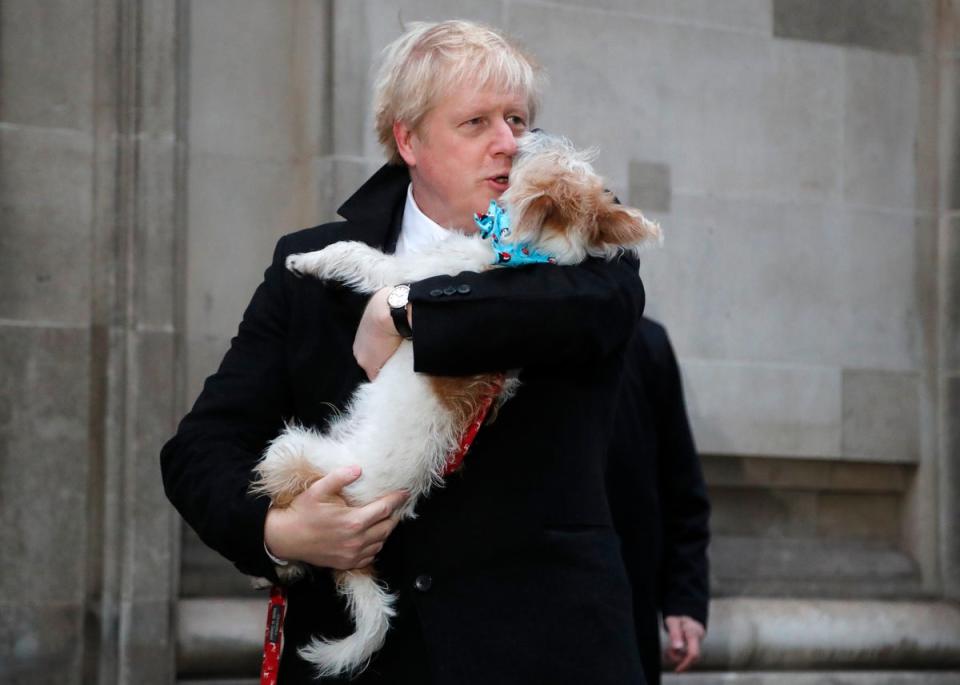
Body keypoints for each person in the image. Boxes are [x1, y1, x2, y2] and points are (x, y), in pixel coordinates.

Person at [161, 20, 648, 684]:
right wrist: (280, 531)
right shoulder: (308, 269)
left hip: (542, 653)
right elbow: (200, 448)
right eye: (476, 122)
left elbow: (586, 309)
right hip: (366, 660)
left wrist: (404, 310)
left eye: (518, 120)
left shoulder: (581, 236)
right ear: (408, 139)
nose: (508, 142)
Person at [608, 316, 711, 685]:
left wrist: (684, 598)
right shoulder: (512, 334)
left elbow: (680, 484)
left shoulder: (644, 341)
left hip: (624, 609)